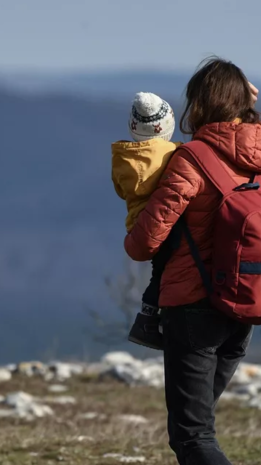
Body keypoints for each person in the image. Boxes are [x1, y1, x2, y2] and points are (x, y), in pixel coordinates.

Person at [123, 58, 261, 465]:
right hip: (242, 307)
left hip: (194, 310)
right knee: (197, 430)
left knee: (192, 439)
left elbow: (143, 244)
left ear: (200, 103)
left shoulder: (193, 160)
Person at [111, 91, 180, 350]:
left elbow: (120, 191)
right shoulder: (175, 154)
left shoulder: (121, 158)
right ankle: (148, 320)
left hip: (138, 226)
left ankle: (149, 317)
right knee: (165, 271)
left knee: (158, 270)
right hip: (165, 224)